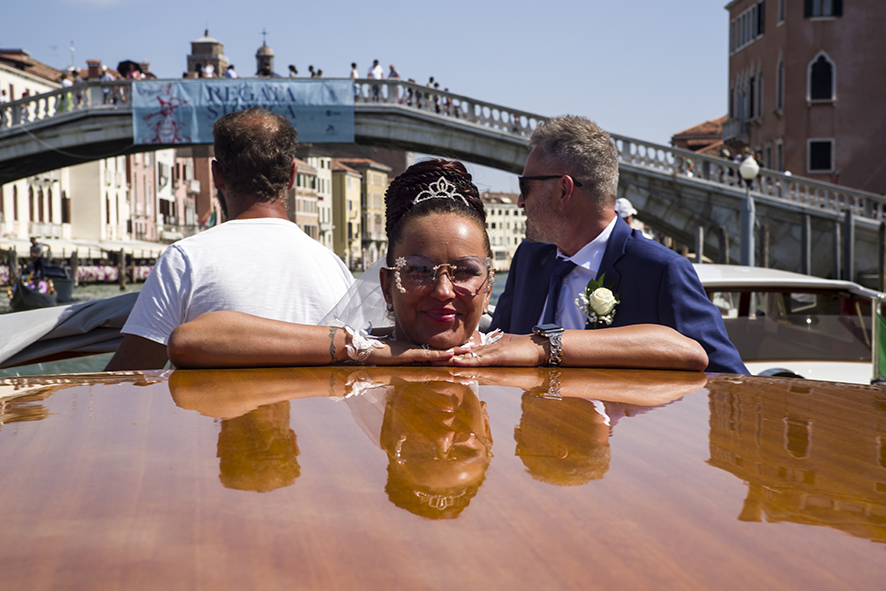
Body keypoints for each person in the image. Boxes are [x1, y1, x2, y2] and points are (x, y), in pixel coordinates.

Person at [168, 159, 707, 371]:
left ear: (489, 281)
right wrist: (372, 350)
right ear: (387, 282)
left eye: (464, 271)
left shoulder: (511, 352)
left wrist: (539, 345)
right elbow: (192, 340)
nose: (443, 291)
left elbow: (687, 352)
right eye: (420, 270)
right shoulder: (363, 345)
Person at [490, 115, 746, 374]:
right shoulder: (529, 257)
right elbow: (495, 345)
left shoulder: (660, 271)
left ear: (563, 191)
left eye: (526, 187)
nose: (521, 201)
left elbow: (729, 380)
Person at [105, 107, 354, 371]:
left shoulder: (185, 259)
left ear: (216, 174)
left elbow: (130, 377)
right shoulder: (334, 267)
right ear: (292, 175)